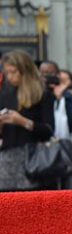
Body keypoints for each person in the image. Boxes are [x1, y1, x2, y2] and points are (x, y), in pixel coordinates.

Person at [0, 50, 56, 191]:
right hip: (8, 158)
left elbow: (48, 130)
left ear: (24, 70)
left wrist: (23, 121)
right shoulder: (5, 93)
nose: (10, 77)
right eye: (7, 73)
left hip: (33, 159)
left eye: (13, 72)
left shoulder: (42, 94)